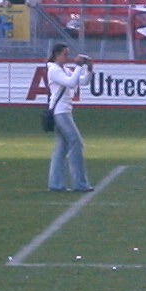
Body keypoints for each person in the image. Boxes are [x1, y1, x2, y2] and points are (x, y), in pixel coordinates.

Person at [44, 44, 93, 192]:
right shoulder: (53, 70)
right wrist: (79, 66)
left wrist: (89, 69)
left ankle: (56, 184)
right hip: (60, 112)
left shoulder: (63, 69)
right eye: (65, 54)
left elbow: (83, 81)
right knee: (76, 143)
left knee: (61, 148)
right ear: (57, 54)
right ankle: (80, 183)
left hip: (63, 111)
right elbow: (71, 83)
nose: (68, 57)